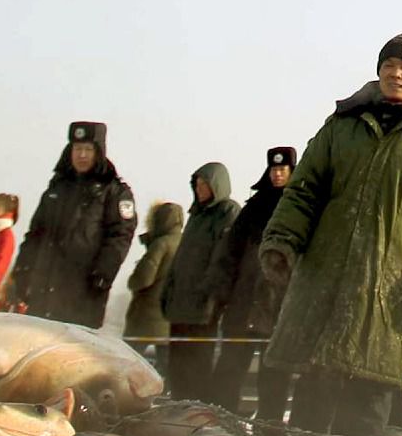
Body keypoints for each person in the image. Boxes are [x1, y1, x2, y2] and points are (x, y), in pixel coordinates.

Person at [260, 33, 402, 436]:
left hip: (388, 290)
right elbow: (305, 189)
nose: (396, 73)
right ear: (378, 71)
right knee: (310, 416)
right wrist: (283, 239)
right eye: (389, 65)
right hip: (326, 278)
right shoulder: (342, 125)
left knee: (366, 415)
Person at [17, 120, 137, 328]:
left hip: (82, 293)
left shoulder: (115, 192)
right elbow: (35, 234)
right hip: (43, 290)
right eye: (77, 148)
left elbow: (120, 236)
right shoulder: (56, 188)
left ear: (99, 152)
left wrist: (103, 275)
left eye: (88, 149)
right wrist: (22, 271)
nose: (82, 155)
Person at [209, 147, 296, 418]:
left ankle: (270, 427)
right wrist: (222, 292)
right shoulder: (253, 208)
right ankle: (222, 422)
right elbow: (229, 252)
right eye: (274, 169)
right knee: (229, 370)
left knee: (274, 376)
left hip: (278, 305)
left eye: (283, 169)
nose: (278, 174)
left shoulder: (300, 209)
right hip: (243, 303)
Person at [161, 162, 238, 403]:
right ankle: (178, 404)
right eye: (197, 184)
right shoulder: (196, 215)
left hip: (204, 304)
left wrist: (211, 293)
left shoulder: (228, 212)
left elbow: (223, 256)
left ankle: (199, 410)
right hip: (181, 303)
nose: (200, 188)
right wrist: (169, 288)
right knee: (177, 365)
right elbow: (181, 257)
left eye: (205, 184)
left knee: (198, 365)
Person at [124, 200, 185, 365]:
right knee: (166, 362)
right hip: (172, 315)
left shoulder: (161, 244)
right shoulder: (186, 242)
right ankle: (169, 388)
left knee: (128, 359)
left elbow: (143, 278)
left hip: (147, 314)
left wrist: (132, 282)